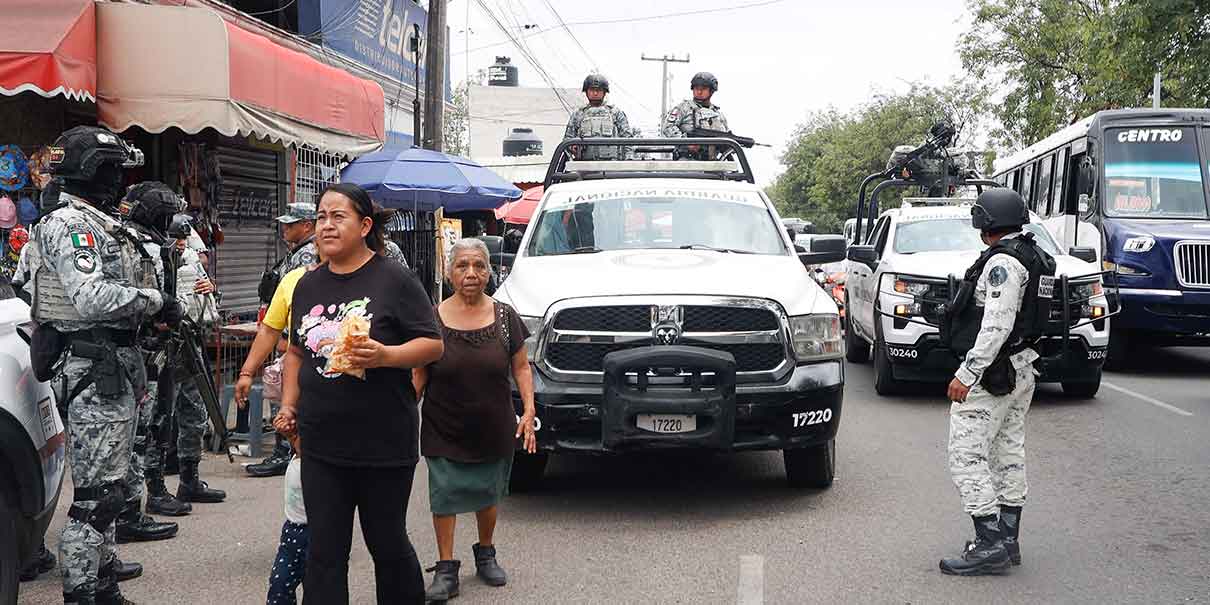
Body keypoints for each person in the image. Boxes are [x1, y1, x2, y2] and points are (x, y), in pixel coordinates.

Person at [27, 126, 179, 604]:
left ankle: (103, 578)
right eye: (111, 170)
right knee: (98, 497)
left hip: (112, 363)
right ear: (90, 171)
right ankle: (82, 590)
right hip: (93, 368)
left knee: (111, 485)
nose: (118, 181)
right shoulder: (71, 225)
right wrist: (155, 301)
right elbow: (91, 297)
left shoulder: (98, 222)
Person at [275, 182, 443, 604]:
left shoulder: (395, 279)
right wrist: (289, 405)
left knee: (387, 544)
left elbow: (432, 345)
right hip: (320, 441)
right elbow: (295, 351)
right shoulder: (307, 285)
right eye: (320, 218)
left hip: (383, 441)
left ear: (365, 225)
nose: (326, 226)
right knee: (324, 551)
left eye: (338, 217)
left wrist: (386, 355)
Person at [939, 188, 1056, 576]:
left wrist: (967, 373)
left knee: (966, 456)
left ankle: (988, 543)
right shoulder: (1032, 255)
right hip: (1021, 369)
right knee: (1008, 451)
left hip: (993, 374)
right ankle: (1007, 539)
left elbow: (996, 325)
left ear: (986, 221)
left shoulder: (1002, 263)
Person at [414, 238, 537, 602]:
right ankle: (446, 568)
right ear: (449, 272)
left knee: (488, 492)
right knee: (444, 495)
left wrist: (529, 409)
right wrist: (395, 412)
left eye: (479, 266)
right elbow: (418, 376)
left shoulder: (505, 317)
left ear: (489, 272)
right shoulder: (431, 319)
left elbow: (521, 367)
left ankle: (486, 553)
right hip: (443, 425)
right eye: (462, 266)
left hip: (493, 424)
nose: (471, 273)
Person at [247, 202, 319, 477]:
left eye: (291, 224)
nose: (284, 229)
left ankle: (285, 452)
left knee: (286, 395)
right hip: (288, 335)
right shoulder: (296, 251)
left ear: (307, 226)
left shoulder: (307, 255)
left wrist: (285, 336)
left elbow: (300, 303)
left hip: (296, 340)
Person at [265, 431, 308, 605]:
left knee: (317, 589)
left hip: (318, 533)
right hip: (291, 533)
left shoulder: (323, 467)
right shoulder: (293, 458)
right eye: (296, 436)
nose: (298, 440)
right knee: (279, 583)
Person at [564, 74, 633, 160]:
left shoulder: (615, 113)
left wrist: (628, 161)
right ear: (586, 92)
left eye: (599, 90)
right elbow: (567, 140)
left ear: (604, 92)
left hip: (612, 165)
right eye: (592, 90)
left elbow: (628, 139)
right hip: (584, 165)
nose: (595, 93)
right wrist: (572, 147)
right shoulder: (578, 114)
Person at [661, 71, 729, 137]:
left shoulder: (718, 115)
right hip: (688, 144)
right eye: (696, 88)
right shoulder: (683, 108)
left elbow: (727, 137)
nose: (699, 92)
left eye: (703, 89)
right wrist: (686, 141)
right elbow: (667, 127)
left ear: (711, 91)